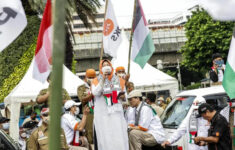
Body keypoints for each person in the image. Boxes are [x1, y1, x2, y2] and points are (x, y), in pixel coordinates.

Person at [91, 59, 129, 150]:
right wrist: (103, 79)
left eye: (108, 64)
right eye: (104, 65)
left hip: (116, 113)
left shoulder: (119, 80)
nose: (106, 66)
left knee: (118, 136)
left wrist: (123, 97)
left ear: (111, 66)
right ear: (101, 68)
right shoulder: (96, 80)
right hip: (103, 115)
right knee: (105, 138)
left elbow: (125, 98)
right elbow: (95, 92)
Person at [77, 69, 96, 146]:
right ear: (85, 77)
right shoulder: (81, 88)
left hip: (99, 112)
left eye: (93, 77)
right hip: (89, 113)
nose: (91, 79)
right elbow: (83, 100)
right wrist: (92, 94)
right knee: (89, 134)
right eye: (89, 77)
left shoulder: (98, 85)